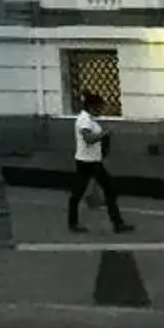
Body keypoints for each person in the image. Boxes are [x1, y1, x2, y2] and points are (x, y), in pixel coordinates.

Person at [68, 90, 131, 233]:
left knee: (83, 191)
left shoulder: (89, 119)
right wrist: (104, 134)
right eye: (99, 107)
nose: (101, 110)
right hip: (87, 162)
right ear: (91, 106)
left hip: (91, 161)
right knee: (104, 190)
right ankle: (117, 223)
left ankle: (116, 223)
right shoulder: (84, 120)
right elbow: (88, 139)